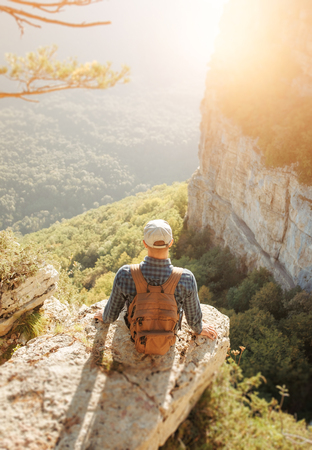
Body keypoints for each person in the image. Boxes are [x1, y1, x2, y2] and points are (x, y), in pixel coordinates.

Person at [94, 219, 217, 341]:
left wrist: (105, 316)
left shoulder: (125, 274)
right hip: (168, 336)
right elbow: (194, 321)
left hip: (136, 334)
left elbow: (110, 316)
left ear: (144, 243)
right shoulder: (186, 278)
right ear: (171, 243)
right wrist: (200, 328)